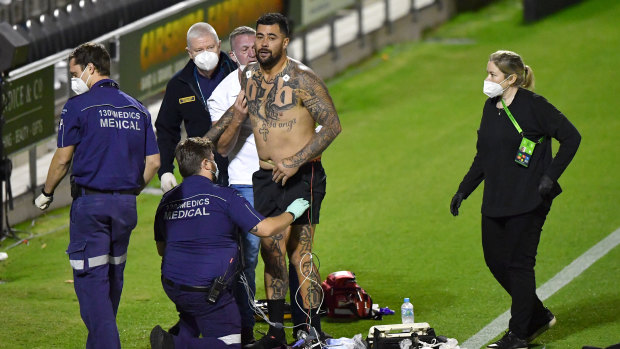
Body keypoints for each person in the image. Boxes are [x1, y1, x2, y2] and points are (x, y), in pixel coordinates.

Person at [206, 13, 342, 348]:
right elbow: (235, 112)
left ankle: (310, 330)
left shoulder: (302, 78)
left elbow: (333, 124)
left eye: (271, 37)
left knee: (300, 254)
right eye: (260, 37)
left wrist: (297, 161)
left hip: (303, 176)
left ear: (285, 41)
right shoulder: (249, 75)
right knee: (272, 253)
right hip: (265, 177)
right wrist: (204, 140)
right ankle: (276, 334)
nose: (263, 44)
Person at [450, 50, 581, 349]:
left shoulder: (535, 107)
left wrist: (550, 176)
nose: (487, 80)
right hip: (496, 199)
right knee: (496, 261)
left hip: (528, 200)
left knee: (520, 265)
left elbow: (572, 137)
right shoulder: (490, 107)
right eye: (487, 73)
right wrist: (464, 189)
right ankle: (535, 315)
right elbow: (484, 155)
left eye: (492, 75)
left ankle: (519, 334)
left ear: (511, 79)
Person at [34, 42, 160, 349]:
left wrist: (46, 193)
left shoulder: (78, 107)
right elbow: (154, 162)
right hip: (125, 207)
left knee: (91, 283)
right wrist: (129, 191)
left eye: (74, 72)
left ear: (91, 69)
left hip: (91, 207)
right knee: (112, 279)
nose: (74, 79)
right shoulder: (137, 108)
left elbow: (63, 159)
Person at [150, 137, 309, 349]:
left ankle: (182, 334)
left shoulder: (167, 200)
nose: (215, 163)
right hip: (207, 291)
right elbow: (266, 229)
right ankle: (173, 344)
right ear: (206, 164)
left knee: (192, 314)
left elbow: (162, 249)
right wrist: (292, 212)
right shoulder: (224, 196)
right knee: (231, 343)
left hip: (173, 285)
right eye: (212, 159)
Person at [207, 25, 262, 345]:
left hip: (284, 178)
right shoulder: (223, 93)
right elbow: (222, 148)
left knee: (289, 253)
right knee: (250, 258)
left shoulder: (286, 77)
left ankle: (296, 325)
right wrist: (239, 115)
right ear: (233, 55)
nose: (252, 53)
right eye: (244, 49)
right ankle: (248, 326)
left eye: (256, 47)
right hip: (245, 184)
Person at [155, 22, 236, 193]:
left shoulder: (237, 72)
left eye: (210, 47)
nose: (206, 54)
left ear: (219, 45)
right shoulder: (179, 85)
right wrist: (166, 170)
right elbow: (166, 129)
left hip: (240, 166)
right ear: (189, 53)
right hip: (200, 172)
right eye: (199, 50)